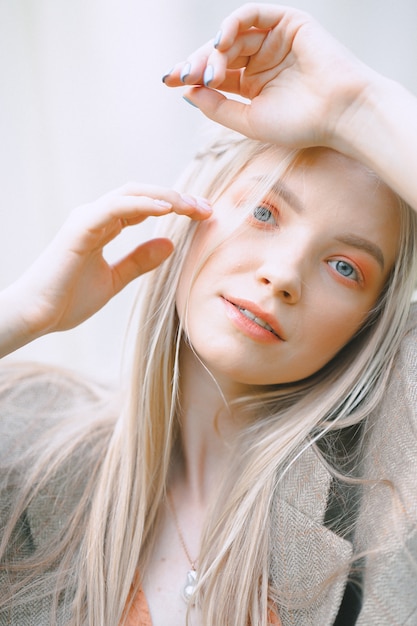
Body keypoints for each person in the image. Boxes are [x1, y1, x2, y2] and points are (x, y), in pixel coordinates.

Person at [1, 3, 417, 625]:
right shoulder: (25, 440)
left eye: (346, 267)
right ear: (193, 202)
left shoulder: (386, 497)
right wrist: (18, 317)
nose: (283, 276)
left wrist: (358, 105)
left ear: (369, 321)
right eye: (265, 212)